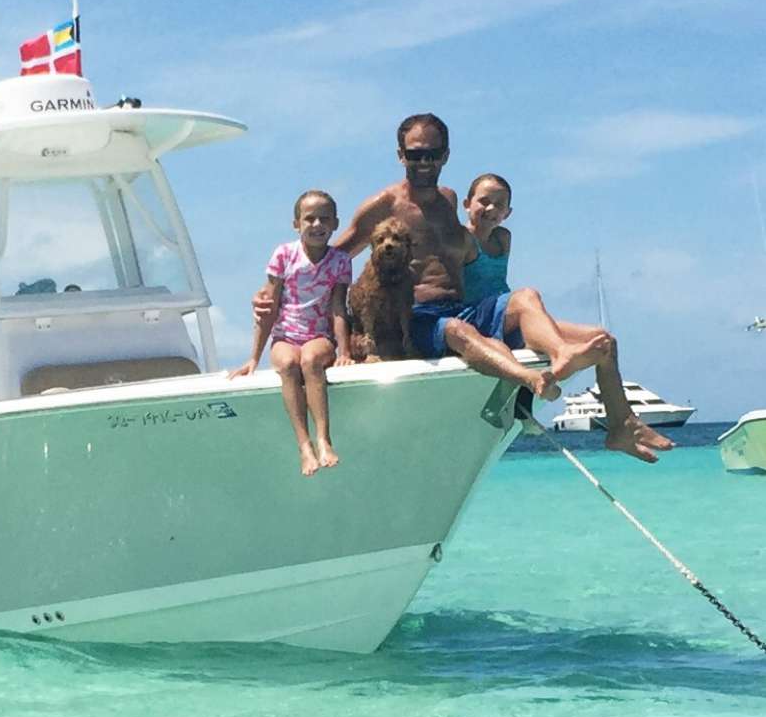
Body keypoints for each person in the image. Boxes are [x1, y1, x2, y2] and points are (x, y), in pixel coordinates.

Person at [265, 114, 672, 463]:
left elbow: (476, 246)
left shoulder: (449, 199)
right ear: (400, 156)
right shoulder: (382, 206)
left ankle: (620, 424)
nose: (422, 162)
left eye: (431, 153)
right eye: (414, 154)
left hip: (468, 308)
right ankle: (533, 382)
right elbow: (329, 258)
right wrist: (276, 296)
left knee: (587, 330)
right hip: (423, 317)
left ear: (445, 156)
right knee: (463, 334)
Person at [231, 190, 353, 476]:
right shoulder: (284, 255)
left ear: (335, 223)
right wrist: (253, 358)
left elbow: (338, 308)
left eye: (324, 218)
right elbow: (269, 307)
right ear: (296, 224)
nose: (316, 224)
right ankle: (304, 445)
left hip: (319, 337)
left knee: (310, 360)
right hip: (285, 335)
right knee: (288, 364)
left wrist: (345, 351)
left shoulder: (340, 261)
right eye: (309, 218)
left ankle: (324, 439)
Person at [461, 173, 512, 306]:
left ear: (507, 213)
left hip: (501, 309)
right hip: (473, 312)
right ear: (467, 204)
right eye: (484, 202)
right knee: (528, 296)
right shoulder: (461, 239)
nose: (491, 208)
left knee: (566, 327)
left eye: (499, 205)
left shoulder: (503, 238)